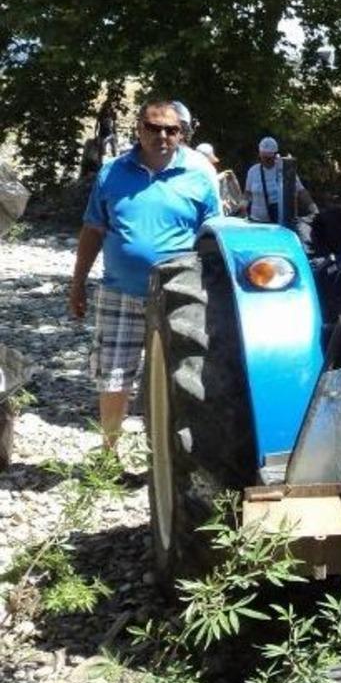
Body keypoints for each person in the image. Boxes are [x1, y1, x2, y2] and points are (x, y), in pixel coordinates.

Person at [67, 100, 222, 450]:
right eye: (153, 128)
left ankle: (169, 457)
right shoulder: (112, 172)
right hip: (120, 291)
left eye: (171, 130)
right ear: (139, 129)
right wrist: (77, 284)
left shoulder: (199, 175)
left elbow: (213, 236)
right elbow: (93, 229)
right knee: (114, 375)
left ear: (181, 133)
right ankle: (109, 455)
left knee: (179, 378)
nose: (162, 136)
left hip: (180, 295)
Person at [244, 137, 309, 224]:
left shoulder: (285, 171)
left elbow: (301, 191)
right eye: (264, 157)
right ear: (260, 155)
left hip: (278, 223)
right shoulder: (253, 171)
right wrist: (243, 204)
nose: (266, 160)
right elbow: (247, 193)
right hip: (256, 222)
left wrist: (313, 208)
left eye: (269, 158)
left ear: (275, 155)